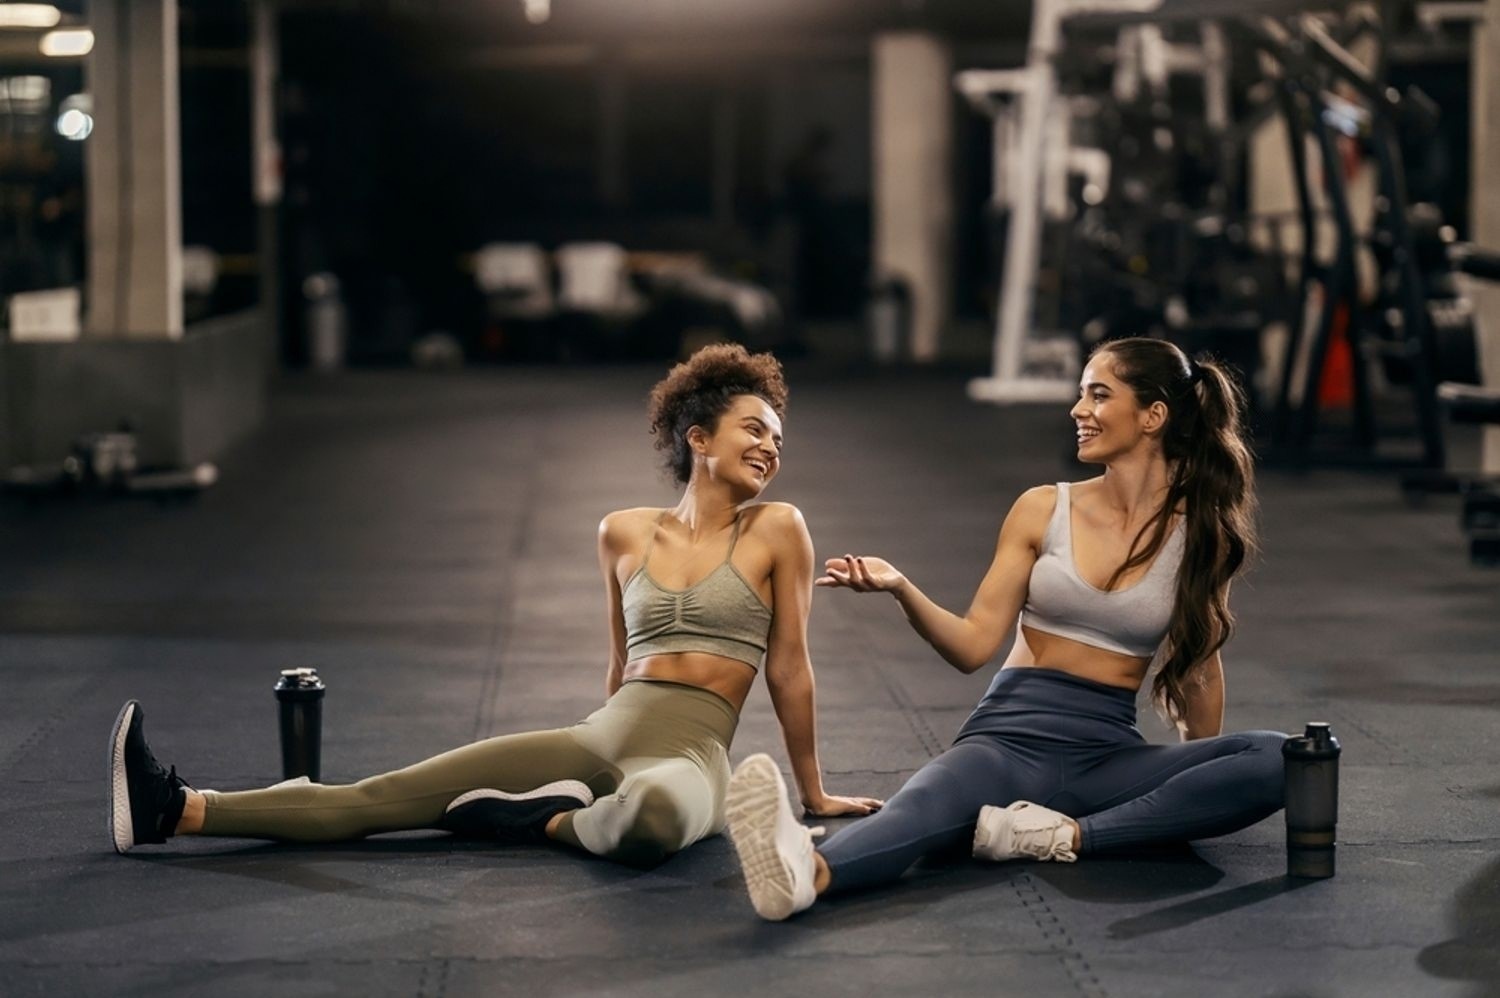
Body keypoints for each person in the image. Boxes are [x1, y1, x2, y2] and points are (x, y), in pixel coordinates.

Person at [109, 343, 880, 866]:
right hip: (599, 737)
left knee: (651, 819)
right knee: (380, 796)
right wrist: (589, 752)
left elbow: (790, 671)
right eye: (756, 428)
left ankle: (546, 820)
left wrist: (812, 793)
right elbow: (620, 667)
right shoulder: (620, 533)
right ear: (698, 437)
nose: (772, 447)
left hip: (689, 755)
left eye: (779, 438)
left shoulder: (779, 529)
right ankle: (177, 809)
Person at [723, 336, 1287, 920]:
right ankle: (806, 871)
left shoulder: (1201, 533)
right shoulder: (1043, 508)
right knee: (919, 811)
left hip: (1107, 757)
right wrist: (901, 588)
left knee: (1278, 758)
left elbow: (1199, 664)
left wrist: (1195, 783)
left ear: (1153, 416)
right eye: (1080, 394)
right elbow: (972, 647)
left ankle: (1059, 836)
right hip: (1007, 741)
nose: (1078, 409)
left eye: (1098, 394)